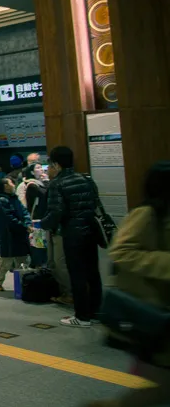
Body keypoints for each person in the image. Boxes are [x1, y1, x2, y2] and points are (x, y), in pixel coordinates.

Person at [95, 161, 170, 407]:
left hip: (161, 306)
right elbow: (121, 250)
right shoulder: (148, 213)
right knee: (162, 386)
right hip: (152, 307)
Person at [40, 146, 103, 327]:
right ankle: (96, 311)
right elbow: (96, 204)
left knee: (77, 275)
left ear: (56, 164)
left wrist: (42, 224)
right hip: (91, 230)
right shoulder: (86, 179)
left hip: (73, 234)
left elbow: (56, 212)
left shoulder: (57, 184)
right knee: (93, 272)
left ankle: (82, 316)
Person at [0, 177, 32, 292]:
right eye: (10, 182)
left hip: (19, 233)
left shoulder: (14, 198)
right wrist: (24, 226)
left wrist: (27, 223)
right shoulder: (1, 201)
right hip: (9, 235)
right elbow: (9, 219)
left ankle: (23, 283)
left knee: (22, 259)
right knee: (6, 260)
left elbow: (24, 212)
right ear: (5, 186)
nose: (13, 184)